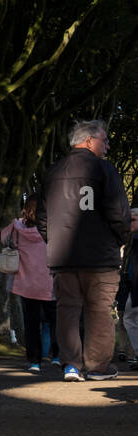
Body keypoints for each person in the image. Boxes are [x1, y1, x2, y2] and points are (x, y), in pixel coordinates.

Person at [37, 120, 137, 381]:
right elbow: (118, 213)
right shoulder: (104, 169)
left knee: (67, 309)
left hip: (63, 258)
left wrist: (55, 240)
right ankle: (97, 367)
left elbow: (42, 218)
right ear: (90, 140)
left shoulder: (52, 171)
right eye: (105, 141)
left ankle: (71, 365)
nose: (108, 145)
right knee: (100, 310)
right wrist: (120, 237)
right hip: (100, 256)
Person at [0, 194, 58, 373]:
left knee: (31, 324)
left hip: (25, 284)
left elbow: (3, 239)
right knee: (57, 322)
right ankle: (57, 356)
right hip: (51, 283)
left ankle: (34, 361)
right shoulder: (54, 227)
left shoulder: (16, 228)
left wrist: (17, 220)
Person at [118, 216, 138, 369]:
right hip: (131, 285)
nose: (130, 223)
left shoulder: (134, 241)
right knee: (128, 318)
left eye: (134, 219)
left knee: (129, 318)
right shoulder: (130, 240)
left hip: (134, 284)